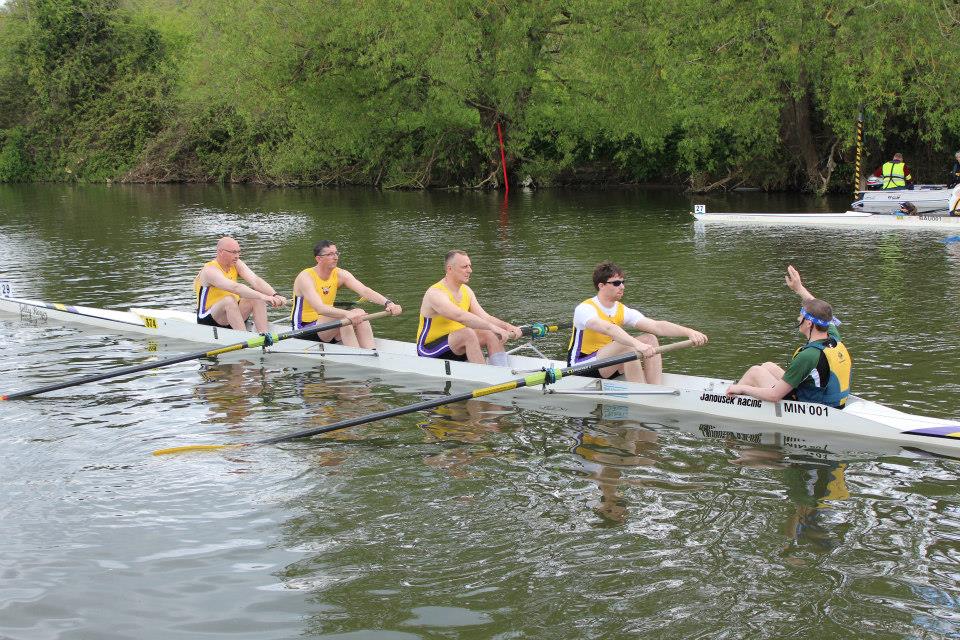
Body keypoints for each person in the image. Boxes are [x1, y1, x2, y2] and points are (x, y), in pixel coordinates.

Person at [725, 266, 851, 408]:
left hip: (813, 407)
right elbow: (823, 312)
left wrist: (742, 388)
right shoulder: (833, 337)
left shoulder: (809, 356)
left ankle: (729, 406)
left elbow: (774, 396)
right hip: (828, 400)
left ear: (809, 323)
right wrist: (799, 288)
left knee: (755, 372)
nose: (798, 319)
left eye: (801, 316)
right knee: (768, 366)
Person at [567, 260, 708, 384]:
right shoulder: (585, 309)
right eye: (616, 283)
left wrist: (689, 332)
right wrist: (637, 345)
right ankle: (642, 392)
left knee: (650, 338)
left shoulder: (622, 310)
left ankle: (655, 388)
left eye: (623, 282)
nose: (622, 287)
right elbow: (609, 329)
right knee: (628, 346)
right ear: (601, 286)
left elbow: (657, 326)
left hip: (609, 364)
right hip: (581, 368)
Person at [416, 250, 523, 365]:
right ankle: (485, 377)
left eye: (470, 266)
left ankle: (502, 373)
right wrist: (493, 327)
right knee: (469, 333)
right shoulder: (435, 293)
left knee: (490, 334)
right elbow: (460, 316)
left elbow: (485, 317)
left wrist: (508, 327)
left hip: (457, 345)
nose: (470, 270)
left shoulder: (467, 291)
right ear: (449, 269)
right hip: (429, 350)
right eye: (464, 267)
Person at [290, 240, 402, 348]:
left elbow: (365, 291)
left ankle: (371, 351)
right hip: (303, 330)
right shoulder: (305, 277)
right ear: (318, 258)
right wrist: (346, 314)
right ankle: (357, 356)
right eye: (330, 254)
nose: (335, 257)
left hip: (327, 329)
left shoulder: (340, 274)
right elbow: (320, 308)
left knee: (360, 313)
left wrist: (388, 303)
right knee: (346, 317)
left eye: (336, 253)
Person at [193, 236, 287, 332]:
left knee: (256, 297)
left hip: (231, 314)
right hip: (209, 319)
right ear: (221, 252)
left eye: (238, 252)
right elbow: (235, 288)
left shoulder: (236, 263)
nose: (237, 256)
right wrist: (264, 297)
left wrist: (275, 295)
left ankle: (265, 337)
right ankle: (244, 339)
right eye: (233, 252)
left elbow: (256, 281)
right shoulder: (210, 270)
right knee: (229, 300)